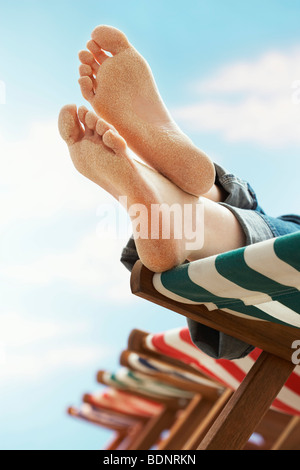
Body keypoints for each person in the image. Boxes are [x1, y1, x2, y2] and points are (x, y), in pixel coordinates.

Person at [58, 25, 300, 359]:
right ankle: (189, 208)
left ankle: (189, 198)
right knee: (274, 228)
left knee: (282, 232)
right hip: (264, 291)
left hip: (265, 305)